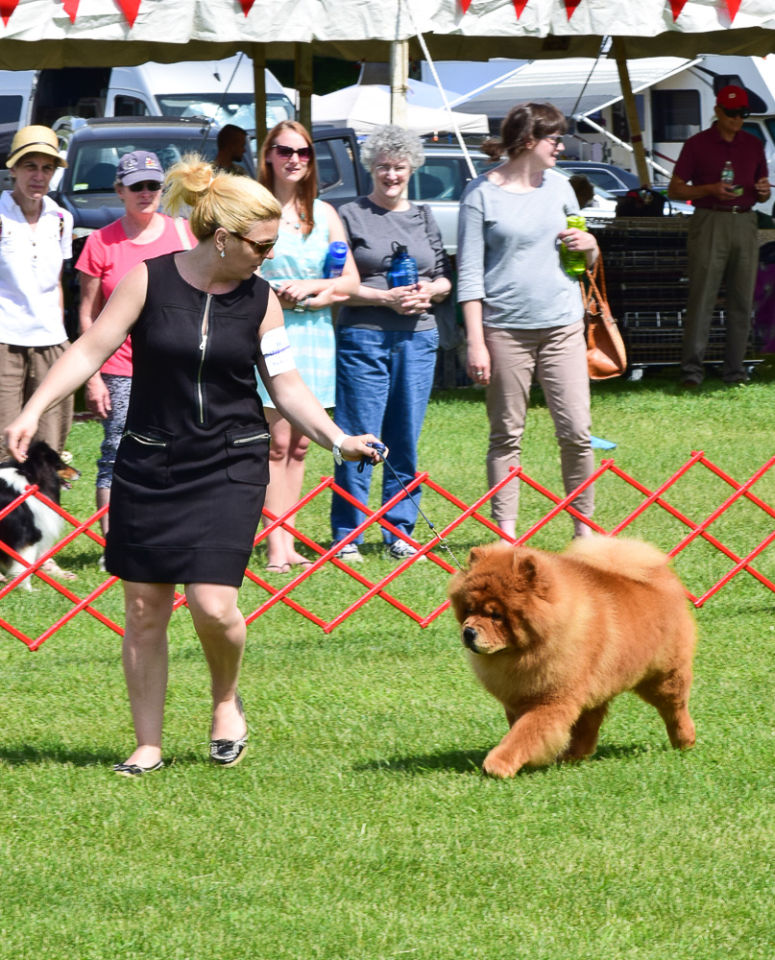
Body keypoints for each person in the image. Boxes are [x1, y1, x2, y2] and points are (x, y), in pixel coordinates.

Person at [4, 159, 383, 776]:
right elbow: (90, 349)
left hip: (229, 463)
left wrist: (337, 438)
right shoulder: (148, 281)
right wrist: (35, 409)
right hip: (149, 464)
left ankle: (226, 699)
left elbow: (285, 385)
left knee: (213, 606)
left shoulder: (262, 300)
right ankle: (148, 744)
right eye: (262, 244)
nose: (269, 255)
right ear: (224, 238)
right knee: (144, 607)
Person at [457, 102, 599, 542]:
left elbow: (580, 261)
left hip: (562, 326)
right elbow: (469, 276)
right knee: (507, 434)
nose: (561, 145)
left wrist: (590, 245)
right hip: (505, 331)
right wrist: (476, 342)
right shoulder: (479, 194)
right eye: (554, 138)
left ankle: (584, 530)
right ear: (528, 141)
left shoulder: (560, 189)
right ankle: (507, 534)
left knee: (577, 431)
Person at [330, 124, 453, 563]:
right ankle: (349, 534)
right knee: (358, 437)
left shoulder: (424, 215)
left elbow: (442, 275)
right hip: (364, 334)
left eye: (399, 167)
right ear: (371, 168)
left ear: (412, 167)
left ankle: (399, 529)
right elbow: (337, 280)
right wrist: (383, 297)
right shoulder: (349, 214)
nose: (391, 175)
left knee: (404, 436)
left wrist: (429, 291)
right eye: (383, 166)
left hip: (418, 338)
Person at [76, 150, 196, 554]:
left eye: (153, 185)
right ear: (119, 191)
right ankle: (114, 541)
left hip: (173, 364)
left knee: (177, 447)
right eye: (136, 186)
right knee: (117, 452)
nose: (146, 193)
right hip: (120, 365)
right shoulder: (99, 242)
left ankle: (167, 531)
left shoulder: (183, 234)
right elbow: (86, 313)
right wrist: (92, 377)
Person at [257, 121, 359, 574]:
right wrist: (273, 291)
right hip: (270, 334)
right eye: (284, 151)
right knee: (276, 444)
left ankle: (290, 538)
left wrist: (313, 288)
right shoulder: (255, 210)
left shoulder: (326, 214)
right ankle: (275, 544)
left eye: (303, 152)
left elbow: (350, 281)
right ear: (268, 156)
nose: (294, 159)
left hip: (316, 335)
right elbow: (236, 270)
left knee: (300, 446)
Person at [668, 84, 771, 387]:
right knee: (703, 297)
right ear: (717, 111)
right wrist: (708, 189)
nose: (737, 119)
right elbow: (675, 189)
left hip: (744, 221)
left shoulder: (753, 145)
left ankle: (735, 370)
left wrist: (763, 192)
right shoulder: (697, 144)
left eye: (742, 113)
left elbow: (761, 189)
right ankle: (692, 371)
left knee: (741, 299)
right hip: (710, 219)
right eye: (731, 113)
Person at [0, 125, 73, 460]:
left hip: (50, 343)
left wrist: (61, 337)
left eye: (47, 168)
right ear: (12, 168)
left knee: (48, 446)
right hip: (4, 342)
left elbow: (56, 282)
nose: (39, 176)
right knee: (4, 445)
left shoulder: (62, 219)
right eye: (31, 166)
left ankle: (45, 512)